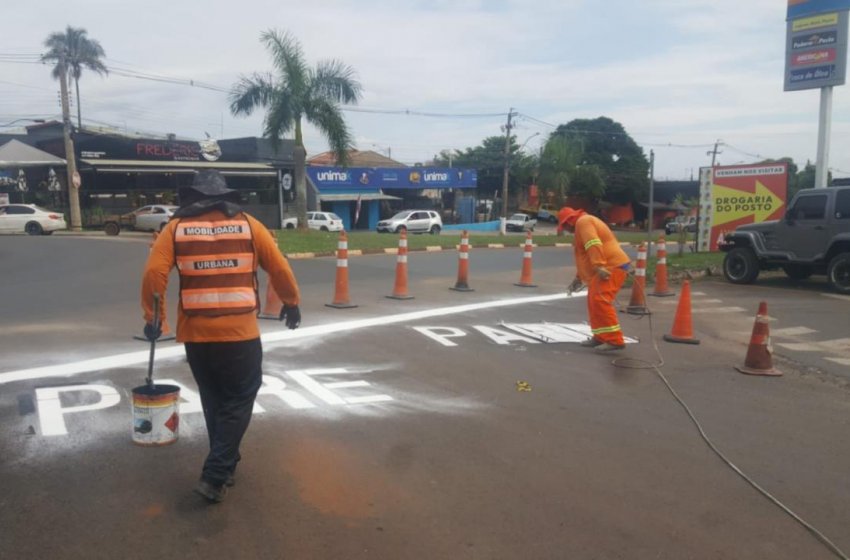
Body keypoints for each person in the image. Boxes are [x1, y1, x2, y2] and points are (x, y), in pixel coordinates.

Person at [141, 170, 301, 503]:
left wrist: (155, 319)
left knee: (214, 398)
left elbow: (154, 273)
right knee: (240, 397)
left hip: (197, 336)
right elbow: (279, 267)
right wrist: (291, 302)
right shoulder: (249, 225)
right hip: (240, 334)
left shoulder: (175, 229)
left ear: (193, 198)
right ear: (226, 197)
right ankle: (215, 474)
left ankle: (225, 464)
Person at [557, 207, 631, 352]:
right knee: (594, 301)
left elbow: (593, 243)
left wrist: (599, 265)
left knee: (600, 300)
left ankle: (615, 340)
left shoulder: (583, 222)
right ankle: (600, 336)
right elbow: (583, 257)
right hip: (606, 266)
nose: (566, 229)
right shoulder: (581, 226)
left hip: (611, 266)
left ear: (569, 221)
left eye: (564, 226)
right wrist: (578, 278)